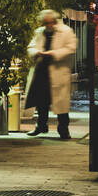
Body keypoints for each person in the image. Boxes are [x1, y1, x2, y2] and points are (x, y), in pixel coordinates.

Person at [25, 9, 78, 138]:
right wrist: (36, 52)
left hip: (58, 70)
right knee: (41, 101)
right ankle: (41, 125)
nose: (48, 25)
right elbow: (31, 46)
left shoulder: (66, 31)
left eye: (50, 22)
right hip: (42, 70)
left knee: (61, 103)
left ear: (54, 21)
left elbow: (71, 48)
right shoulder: (40, 32)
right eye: (45, 23)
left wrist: (53, 54)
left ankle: (63, 129)